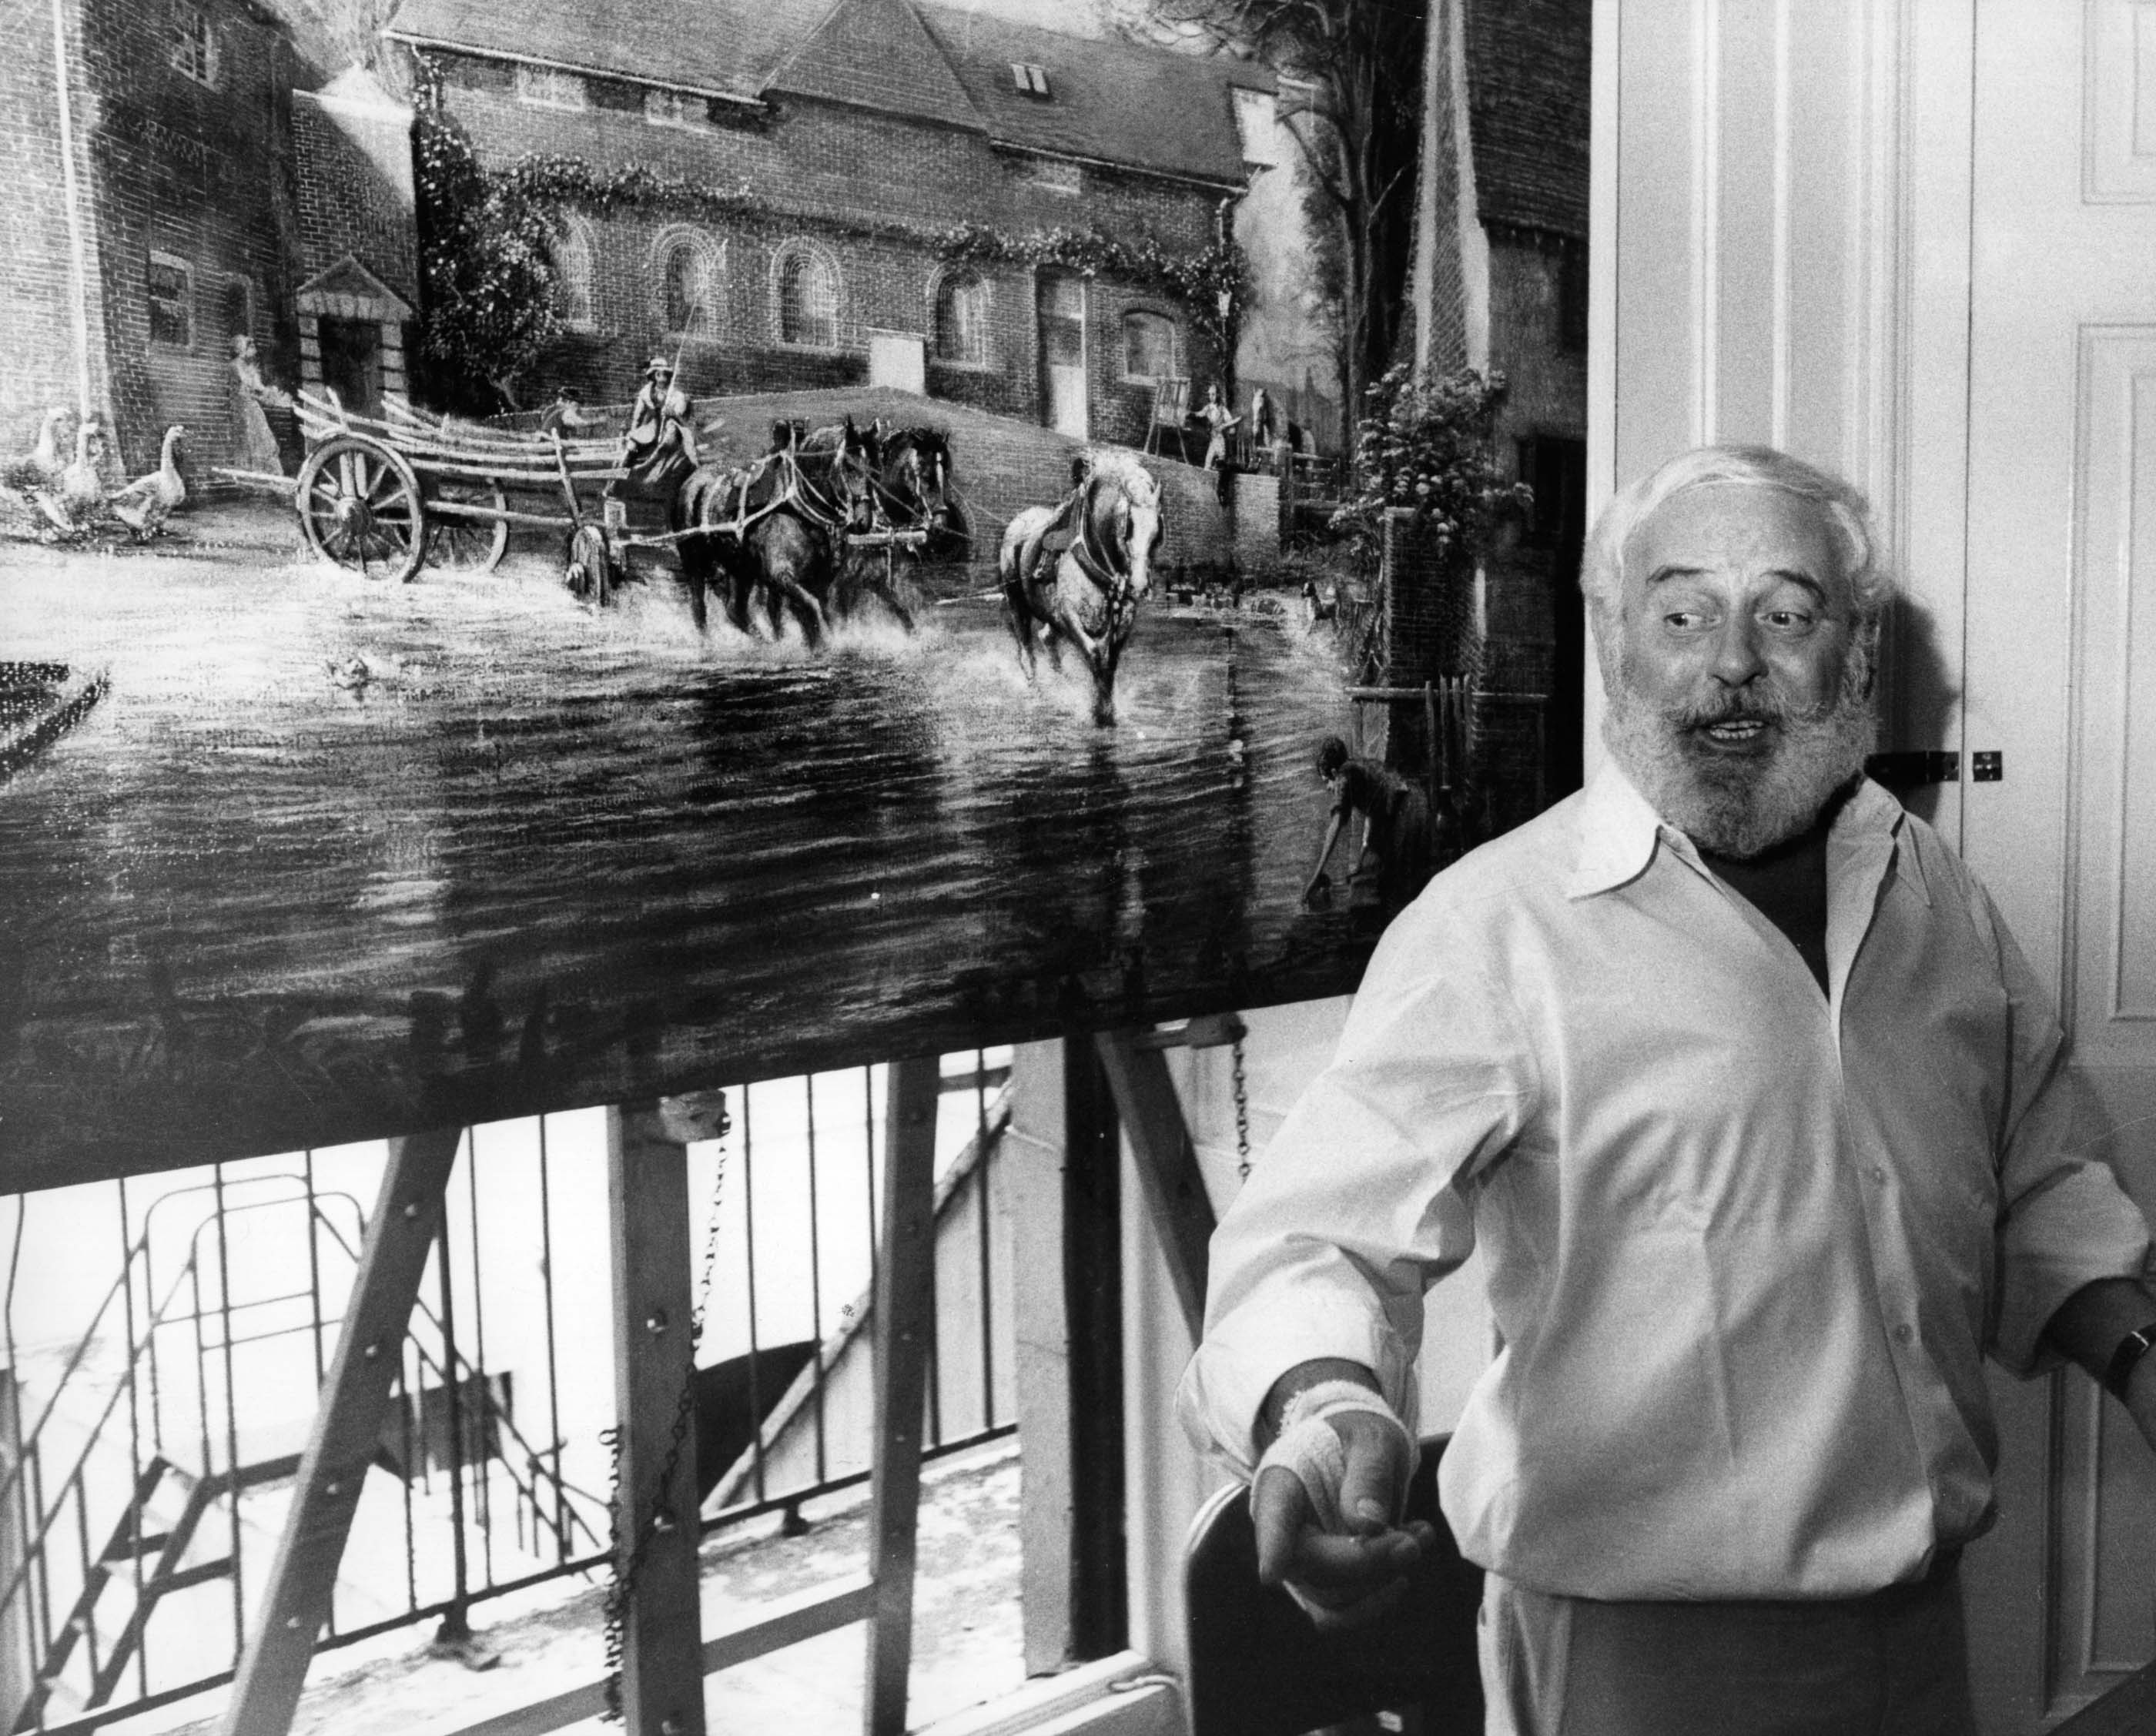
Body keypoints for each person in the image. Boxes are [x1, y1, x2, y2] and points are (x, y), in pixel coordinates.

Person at [1181, 444, 2156, 1735]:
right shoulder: (1501, 927)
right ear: (1616, 645)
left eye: (1788, 613)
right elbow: (1319, 1236)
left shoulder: (1928, 888)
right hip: (1637, 1667)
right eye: (1684, 611)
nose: (1735, 660)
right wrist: (1323, 1414)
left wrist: (2140, 1354)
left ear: (1855, 650)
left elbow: (2036, 1175)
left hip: (1919, 1637)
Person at [1301, 736, 1436, 919]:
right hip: (1418, 802)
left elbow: (1335, 826)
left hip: (1407, 811)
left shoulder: (1343, 777)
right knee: (1410, 881)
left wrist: (1315, 877)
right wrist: (1360, 862)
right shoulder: (1359, 768)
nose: (1328, 788)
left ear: (1333, 771)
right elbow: (1371, 817)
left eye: (1327, 781)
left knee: (1402, 886)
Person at [618, 355, 697, 489]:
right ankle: (620, 474)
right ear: (654, 375)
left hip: (672, 425)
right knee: (632, 444)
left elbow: (681, 416)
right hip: (654, 425)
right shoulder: (646, 393)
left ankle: (652, 468)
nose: (661, 378)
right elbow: (638, 415)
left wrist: (672, 413)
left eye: (664, 374)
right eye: (658, 374)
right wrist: (633, 431)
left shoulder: (677, 395)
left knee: (669, 438)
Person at [229, 335, 290, 474]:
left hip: (252, 405)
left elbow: (258, 387)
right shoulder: (235, 365)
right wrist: (264, 390)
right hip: (242, 407)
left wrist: (271, 392)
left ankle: (266, 473)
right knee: (250, 440)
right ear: (241, 349)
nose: (253, 349)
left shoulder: (250, 367)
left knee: (264, 439)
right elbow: (249, 385)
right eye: (250, 346)